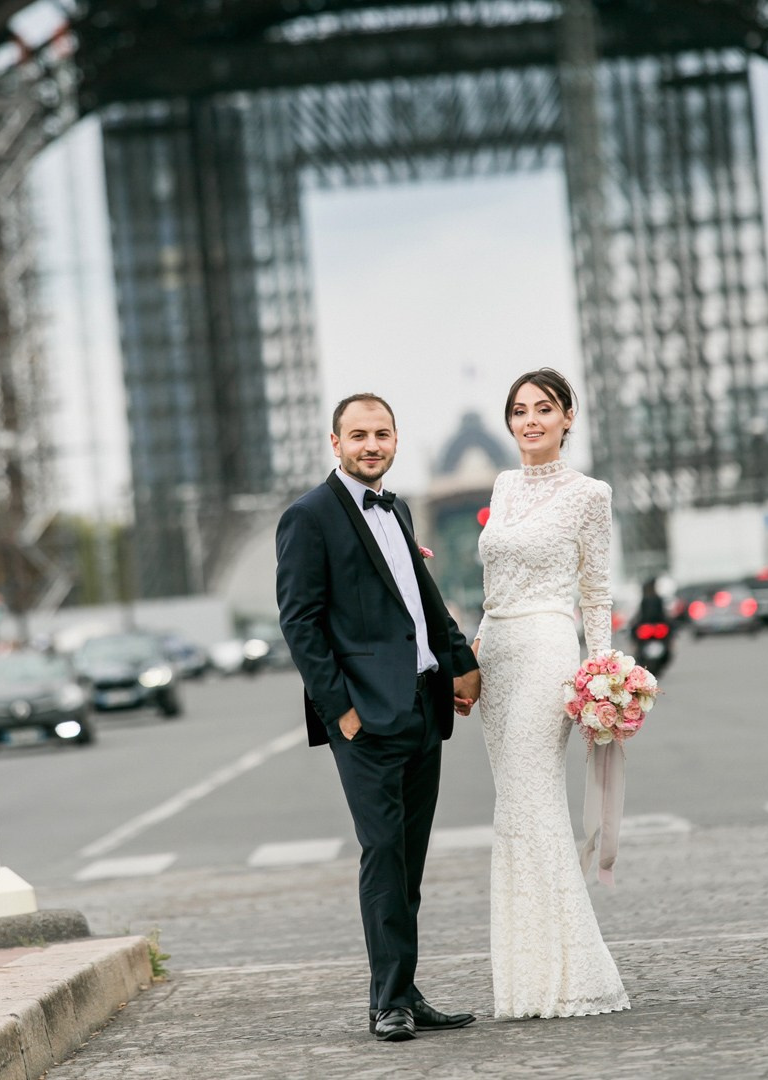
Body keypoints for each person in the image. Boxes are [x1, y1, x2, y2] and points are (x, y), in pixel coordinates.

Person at [276, 393, 481, 1042]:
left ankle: (406, 991)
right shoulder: (308, 518)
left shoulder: (394, 508)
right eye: (358, 434)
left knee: (408, 863)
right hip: (365, 718)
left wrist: (458, 662)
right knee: (382, 854)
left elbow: (422, 599)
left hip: (422, 707)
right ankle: (386, 1002)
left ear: (395, 441)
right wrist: (340, 711)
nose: (372, 444)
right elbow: (300, 622)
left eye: (383, 433)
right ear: (334, 442)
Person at [474, 367, 630, 1020]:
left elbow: (595, 591)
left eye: (544, 409)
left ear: (568, 417)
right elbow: (494, 582)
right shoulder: (504, 485)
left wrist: (602, 677)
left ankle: (577, 972)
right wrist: (474, 652)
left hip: (547, 649)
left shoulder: (589, 494)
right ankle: (528, 978)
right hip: (498, 658)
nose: (530, 420)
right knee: (512, 810)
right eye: (519, 410)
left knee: (533, 801)